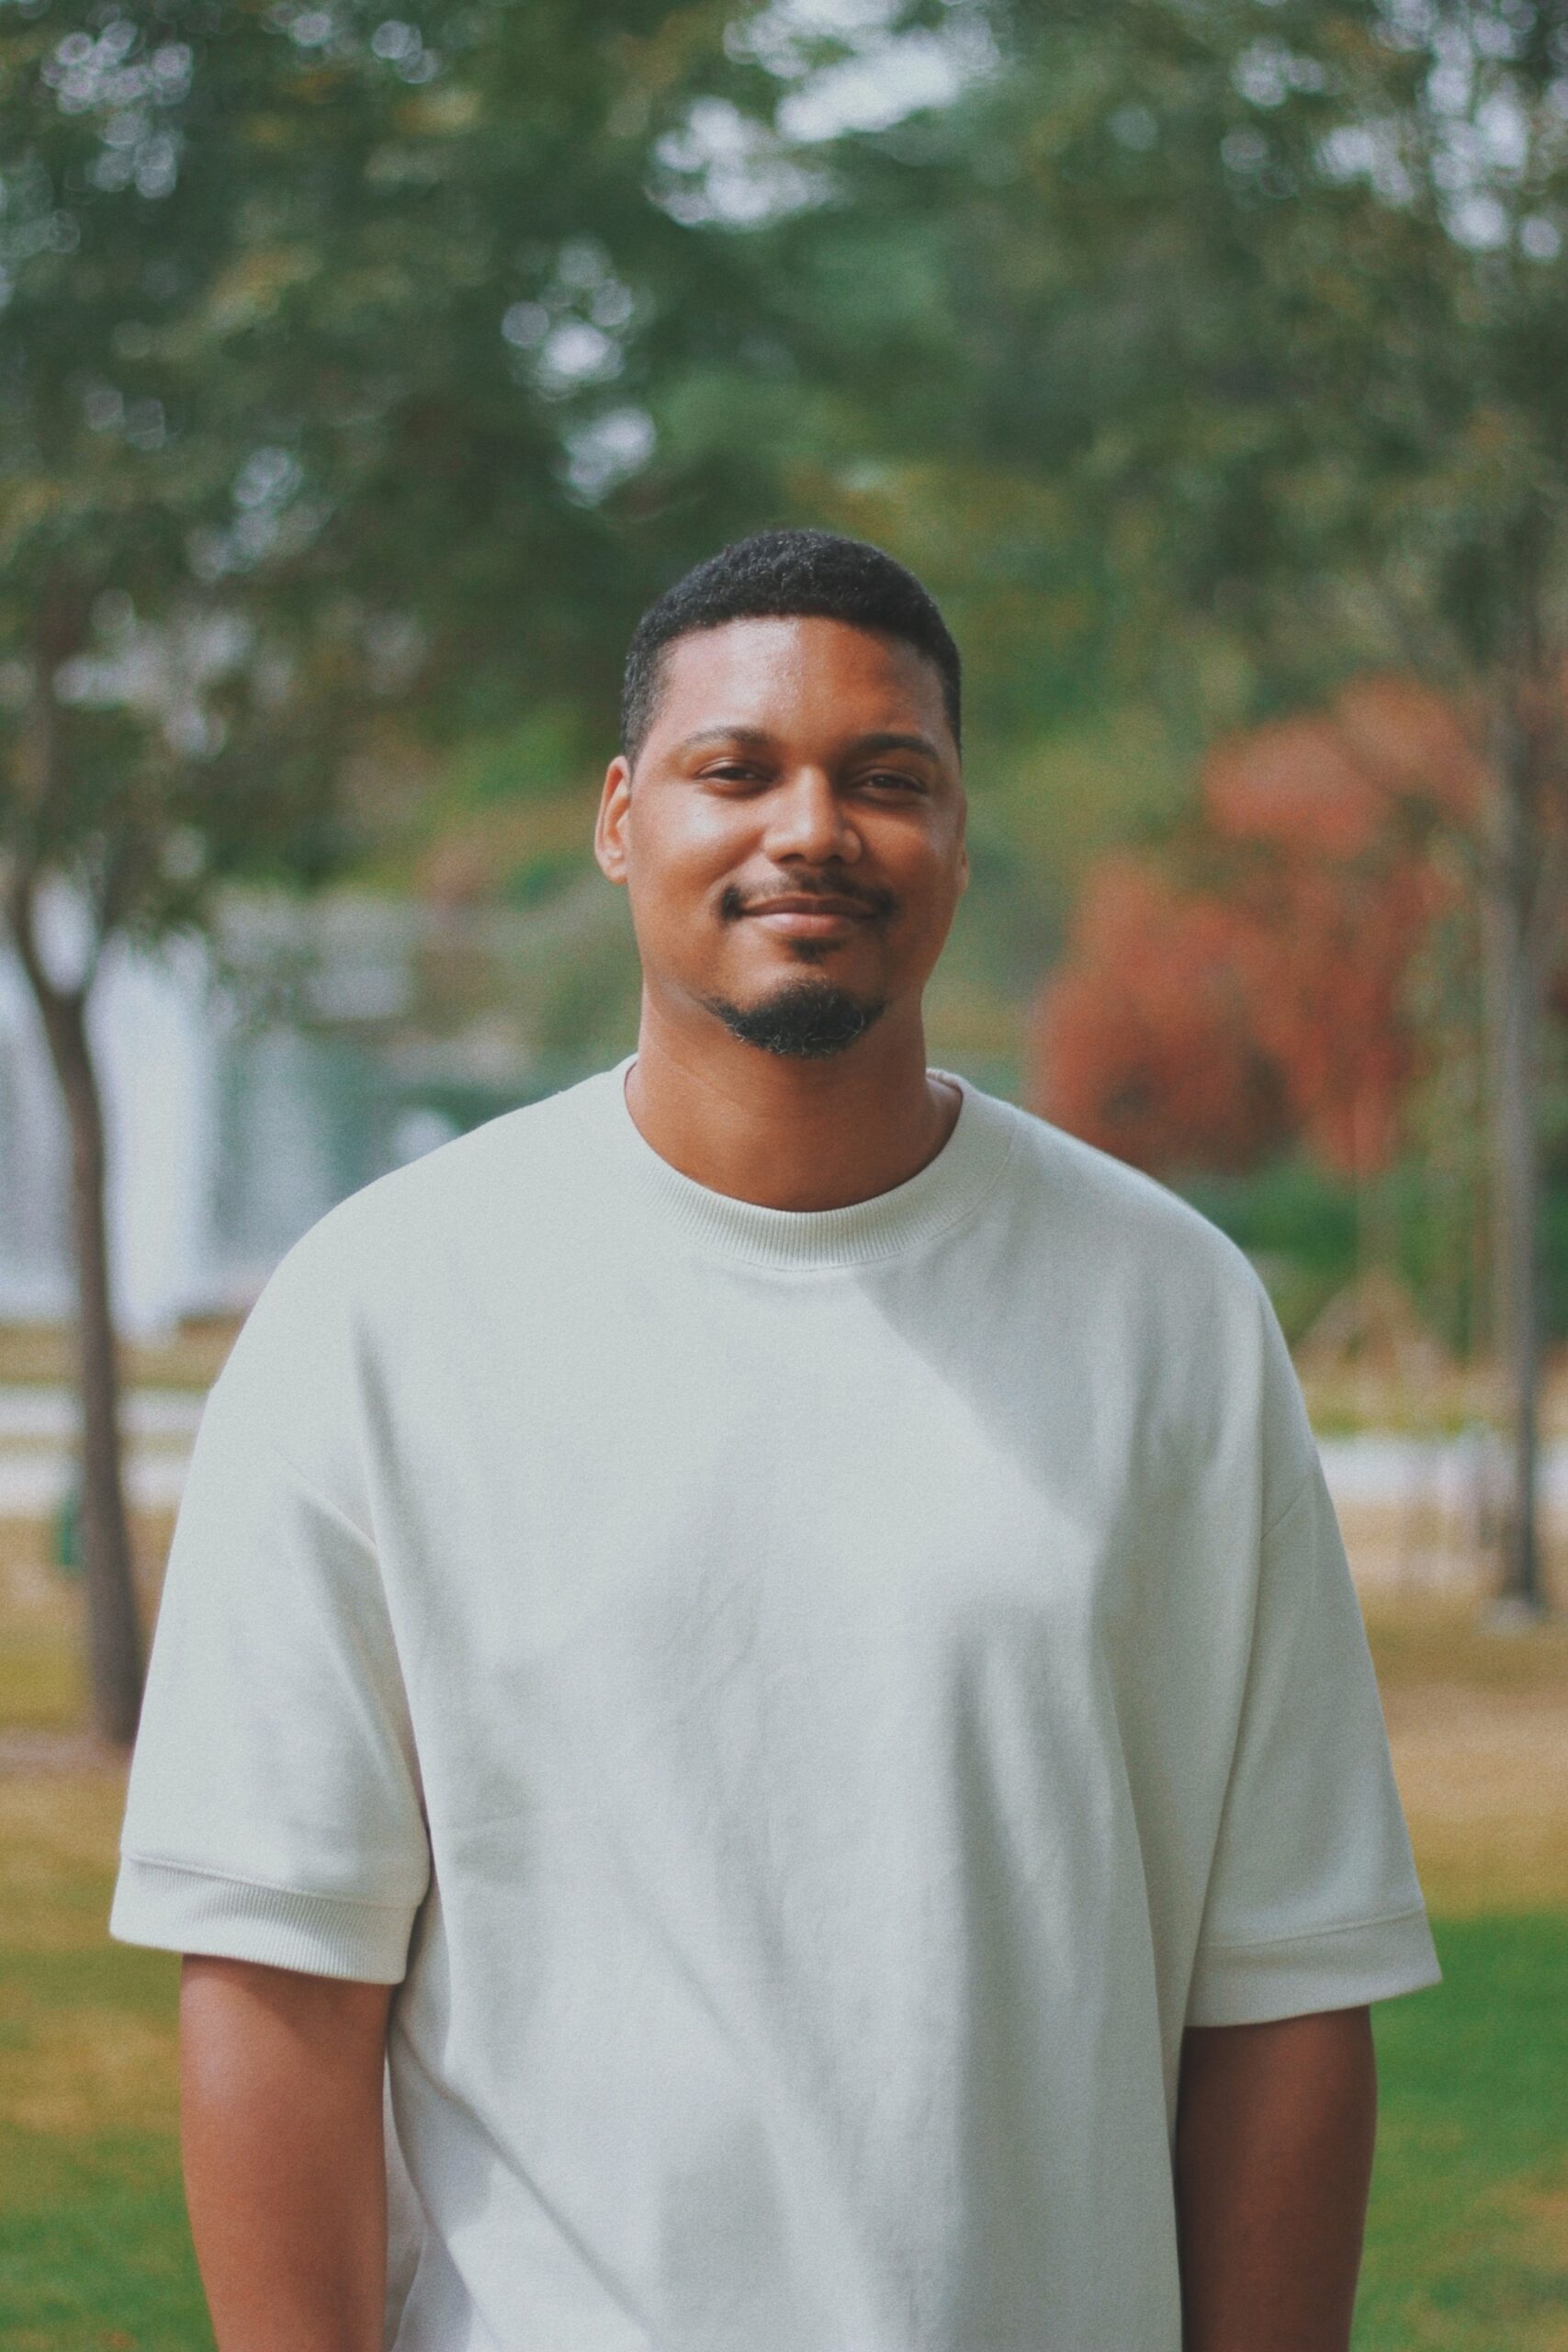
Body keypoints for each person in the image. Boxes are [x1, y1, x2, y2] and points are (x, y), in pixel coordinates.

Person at [110, 527, 1441, 2352]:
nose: (810, 828)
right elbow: (279, 1977)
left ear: (956, 831)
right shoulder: (379, 1314)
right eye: (734, 769)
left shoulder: (1171, 1315)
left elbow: (1281, 1984)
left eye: (885, 777)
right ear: (620, 817)